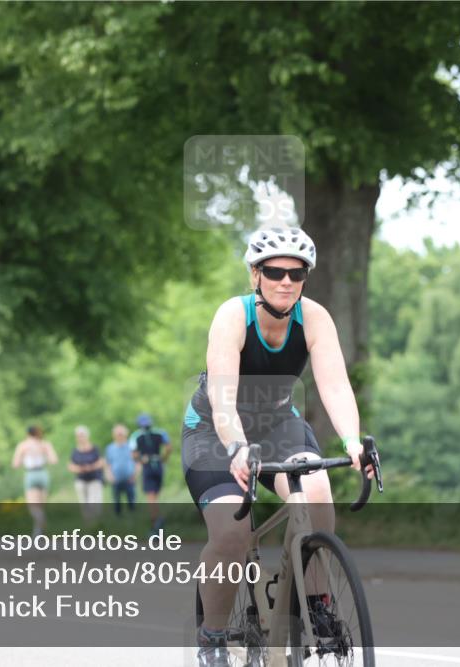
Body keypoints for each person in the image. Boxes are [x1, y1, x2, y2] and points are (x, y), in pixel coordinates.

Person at [180, 226, 375, 667]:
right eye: (274, 272)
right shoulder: (233, 316)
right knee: (232, 532)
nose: (286, 281)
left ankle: (316, 602)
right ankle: (212, 638)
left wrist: (352, 440)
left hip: (278, 425)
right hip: (214, 431)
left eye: (296, 273)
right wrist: (236, 447)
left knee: (317, 494)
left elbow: (335, 385)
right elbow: (223, 399)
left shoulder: (315, 318)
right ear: (256, 274)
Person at [12, 425, 58, 536]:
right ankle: (39, 532)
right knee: (41, 506)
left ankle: (41, 525)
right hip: (42, 473)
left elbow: (15, 464)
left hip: (31, 474)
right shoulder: (44, 444)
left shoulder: (23, 445)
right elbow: (54, 460)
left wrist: (24, 457)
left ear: (28, 433)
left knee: (33, 506)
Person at [130, 414, 171, 530]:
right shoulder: (160, 432)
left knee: (151, 497)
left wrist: (140, 459)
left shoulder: (136, 435)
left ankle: (156, 523)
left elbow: (134, 454)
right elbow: (168, 448)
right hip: (158, 465)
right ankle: (158, 519)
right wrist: (164, 458)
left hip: (147, 466)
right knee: (154, 495)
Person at [68, 426, 104, 521]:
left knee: (94, 502)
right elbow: (71, 466)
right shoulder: (75, 451)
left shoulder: (95, 448)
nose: (80, 438)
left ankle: (97, 522)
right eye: (78, 436)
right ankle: (89, 523)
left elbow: (101, 462)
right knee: (84, 504)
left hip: (94, 479)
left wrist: (91, 467)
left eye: (82, 435)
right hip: (81, 480)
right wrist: (80, 469)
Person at [104, 424, 138, 515]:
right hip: (115, 479)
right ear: (114, 435)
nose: (120, 436)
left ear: (126, 434)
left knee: (132, 501)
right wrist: (109, 476)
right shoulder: (110, 448)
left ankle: (132, 517)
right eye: (118, 434)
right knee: (116, 502)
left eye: (121, 434)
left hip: (130, 479)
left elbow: (137, 462)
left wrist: (135, 475)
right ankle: (118, 519)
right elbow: (107, 464)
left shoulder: (131, 447)